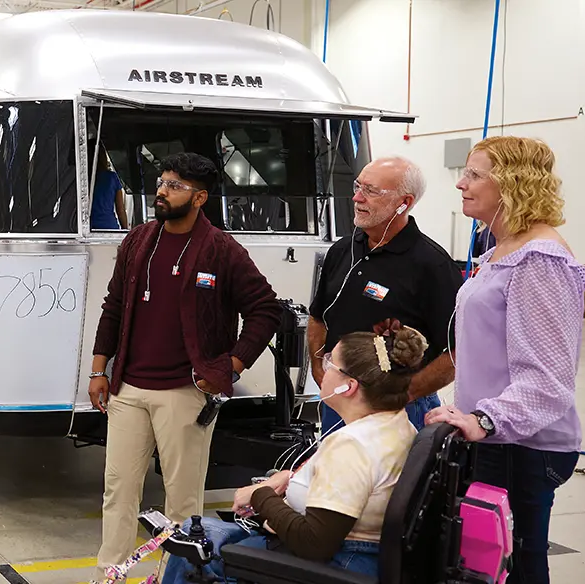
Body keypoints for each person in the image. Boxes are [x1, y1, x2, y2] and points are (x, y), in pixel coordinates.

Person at [89, 152, 284, 580]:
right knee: (118, 489)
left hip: (186, 393)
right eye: (162, 181)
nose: (162, 191)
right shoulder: (138, 240)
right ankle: (111, 573)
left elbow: (265, 310)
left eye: (174, 185)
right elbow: (114, 306)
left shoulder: (221, 250)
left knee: (183, 502)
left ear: (199, 198)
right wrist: (99, 369)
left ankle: (179, 575)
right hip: (128, 389)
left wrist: (228, 366)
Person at [426, 136, 585, 584]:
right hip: (499, 439)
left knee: (516, 563)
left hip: (523, 445)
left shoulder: (540, 260)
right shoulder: (502, 250)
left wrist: (486, 419)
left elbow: (548, 380)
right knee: (487, 561)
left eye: (475, 175)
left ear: (513, 184)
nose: (461, 184)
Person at [157, 322, 429, 583]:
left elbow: (314, 542)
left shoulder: (352, 445)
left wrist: (260, 496)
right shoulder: (396, 424)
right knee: (202, 532)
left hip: (335, 562)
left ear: (350, 386)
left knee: (191, 544)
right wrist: (288, 477)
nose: (322, 367)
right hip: (363, 557)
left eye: (330, 363)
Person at [307, 156, 462, 434]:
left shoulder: (432, 265)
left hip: (398, 410)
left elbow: (455, 352)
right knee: (337, 475)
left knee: (394, 478)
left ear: (405, 202)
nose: (356, 198)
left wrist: (404, 394)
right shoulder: (342, 251)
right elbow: (318, 317)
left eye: (371, 191)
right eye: (358, 186)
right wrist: (319, 370)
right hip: (339, 400)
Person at [91, 144, 129, 230]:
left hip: (89, 227)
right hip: (109, 226)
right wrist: (126, 230)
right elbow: (120, 209)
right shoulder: (113, 178)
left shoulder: (82, 179)